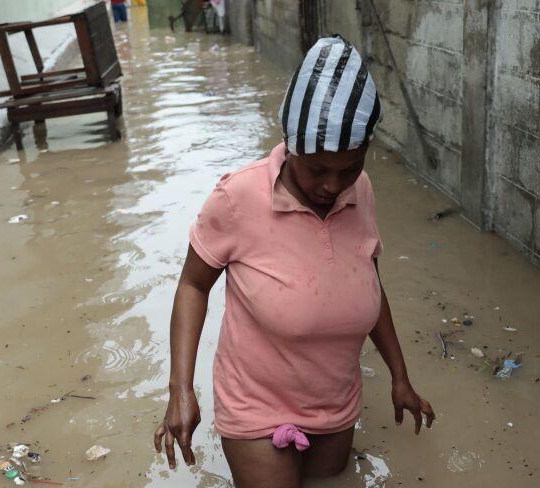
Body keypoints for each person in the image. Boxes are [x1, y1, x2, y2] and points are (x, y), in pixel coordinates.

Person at [154, 36, 436, 487]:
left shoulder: (359, 192)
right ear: (291, 147)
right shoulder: (237, 197)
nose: (332, 185)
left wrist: (399, 376)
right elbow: (192, 286)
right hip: (255, 403)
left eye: (349, 168)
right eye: (318, 169)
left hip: (336, 401)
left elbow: (371, 286)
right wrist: (180, 390)